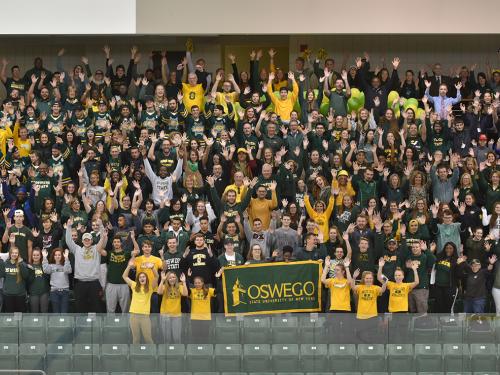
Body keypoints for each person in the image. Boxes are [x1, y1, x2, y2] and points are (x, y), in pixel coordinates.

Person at [65, 217, 107, 313]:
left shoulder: (97, 249)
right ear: (82, 241)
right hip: (80, 283)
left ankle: (95, 327)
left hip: (94, 283)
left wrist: (101, 225)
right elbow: (68, 241)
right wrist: (69, 226)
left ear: (92, 241)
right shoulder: (77, 249)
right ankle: (81, 327)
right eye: (85, 240)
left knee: (96, 307)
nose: (87, 241)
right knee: (80, 307)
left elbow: (103, 239)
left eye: (89, 239)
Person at [122, 258, 159, 344]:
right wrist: (129, 266)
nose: (142, 278)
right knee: (136, 339)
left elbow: (157, 276)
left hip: (145, 316)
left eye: (144, 277)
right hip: (133, 315)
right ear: (138, 279)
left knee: (148, 339)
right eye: (140, 277)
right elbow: (124, 276)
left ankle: (153, 356)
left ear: (146, 279)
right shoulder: (134, 285)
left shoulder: (150, 288)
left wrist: (152, 267)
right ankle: (136, 356)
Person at [157, 271, 188, 343]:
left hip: (176, 316)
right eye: (170, 278)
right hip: (165, 315)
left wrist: (184, 282)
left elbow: (185, 294)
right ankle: (167, 353)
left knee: (177, 338)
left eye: (173, 277)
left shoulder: (179, 287)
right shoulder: (164, 287)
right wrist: (162, 280)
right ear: (167, 279)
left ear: (176, 279)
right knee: (166, 339)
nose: (172, 279)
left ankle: (177, 353)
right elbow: (159, 292)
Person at [42, 248, 72, 313]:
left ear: (62, 256)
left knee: (64, 312)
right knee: (56, 313)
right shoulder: (51, 266)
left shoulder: (65, 265)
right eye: (56, 255)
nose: (57, 256)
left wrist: (66, 258)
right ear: (53, 256)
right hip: (54, 292)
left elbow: (68, 270)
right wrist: (44, 257)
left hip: (65, 292)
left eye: (59, 255)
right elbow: (46, 270)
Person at [0, 247, 29, 312]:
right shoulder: (5, 264)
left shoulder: (22, 263)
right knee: (10, 314)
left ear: (18, 254)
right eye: (12, 253)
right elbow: (1, 275)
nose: (14, 254)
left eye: (16, 253)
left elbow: (26, 276)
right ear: (10, 254)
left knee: (20, 314)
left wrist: (21, 264)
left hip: (20, 294)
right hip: (8, 294)